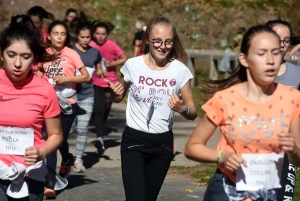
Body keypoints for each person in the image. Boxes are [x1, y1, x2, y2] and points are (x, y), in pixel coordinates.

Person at [184, 25, 300, 201]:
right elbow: (191, 148)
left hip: (268, 192)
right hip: (226, 190)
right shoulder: (224, 99)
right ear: (244, 59)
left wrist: (293, 150)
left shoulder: (292, 98)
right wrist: (221, 156)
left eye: (275, 53)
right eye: (261, 54)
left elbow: (297, 159)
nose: (270, 60)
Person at [106, 14, 197, 201]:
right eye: (157, 40)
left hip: (162, 144)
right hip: (134, 140)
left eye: (168, 42)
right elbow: (118, 97)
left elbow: (193, 112)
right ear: (147, 40)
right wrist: (115, 93)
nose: (162, 46)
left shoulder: (179, 70)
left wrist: (183, 109)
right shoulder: (132, 65)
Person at [0, 15, 63, 200]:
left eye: (25, 56)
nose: (18, 64)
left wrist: (41, 152)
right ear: (1, 53)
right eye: (11, 55)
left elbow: (56, 135)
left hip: (30, 174)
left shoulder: (44, 89)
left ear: (35, 58)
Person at [37, 20, 90, 198]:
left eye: (62, 34)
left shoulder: (71, 53)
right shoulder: (44, 53)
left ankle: (66, 158)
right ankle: (49, 184)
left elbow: (86, 76)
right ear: (49, 36)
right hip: (47, 103)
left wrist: (66, 78)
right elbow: (38, 75)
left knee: (58, 140)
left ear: (66, 37)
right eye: (55, 34)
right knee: (49, 141)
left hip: (68, 103)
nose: (59, 37)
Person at [266, 19, 300, 200]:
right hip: (255, 150)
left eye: (286, 40)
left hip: (287, 151)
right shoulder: (251, 71)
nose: (282, 44)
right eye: (277, 39)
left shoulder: (297, 74)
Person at [72, 21, 104, 172]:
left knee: (83, 127)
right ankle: (65, 155)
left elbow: (98, 68)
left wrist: (100, 72)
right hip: (70, 94)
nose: (85, 40)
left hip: (87, 94)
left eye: (88, 37)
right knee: (69, 128)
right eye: (82, 37)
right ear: (76, 36)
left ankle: (78, 159)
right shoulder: (70, 51)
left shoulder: (95, 52)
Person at [90, 22, 127, 152]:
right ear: (94, 34)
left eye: (103, 34)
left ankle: (100, 126)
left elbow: (124, 58)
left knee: (106, 109)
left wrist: (112, 63)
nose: (100, 36)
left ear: (107, 34)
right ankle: (99, 137)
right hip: (96, 82)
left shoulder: (111, 45)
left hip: (111, 82)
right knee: (100, 109)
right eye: (98, 34)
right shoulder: (91, 45)